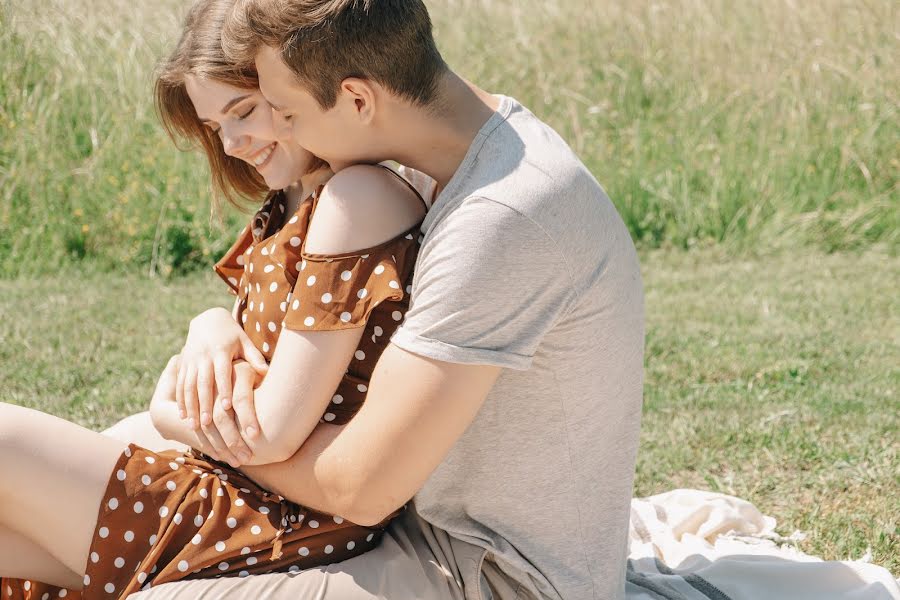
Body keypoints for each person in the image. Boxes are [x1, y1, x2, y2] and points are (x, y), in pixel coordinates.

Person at [127, 1, 646, 599]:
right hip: (413, 534)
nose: (280, 132)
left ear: (357, 100)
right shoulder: (452, 153)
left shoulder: (502, 217)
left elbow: (360, 488)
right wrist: (213, 324)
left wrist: (191, 425)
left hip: (493, 576)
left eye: (287, 112)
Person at [0, 0, 427, 598]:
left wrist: (169, 411)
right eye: (215, 127)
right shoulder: (293, 201)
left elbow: (270, 434)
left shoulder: (359, 197)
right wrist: (208, 326)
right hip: (238, 487)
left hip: (284, 515)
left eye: (245, 111)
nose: (231, 144)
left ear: (290, 90)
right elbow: (247, 348)